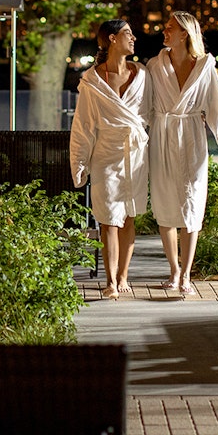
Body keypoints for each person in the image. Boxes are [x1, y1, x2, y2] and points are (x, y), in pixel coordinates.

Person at [146, 11, 218, 295]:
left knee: (192, 205)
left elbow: (217, 110)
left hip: (191, 138)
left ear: (184, 33)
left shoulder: (204, 68)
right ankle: (173, 272)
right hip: (162, 137)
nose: (164, 32)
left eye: (169, 28)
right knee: (165, 205)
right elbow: (144, 105)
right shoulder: (154, 65)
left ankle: (187, 274)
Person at [70, 19, 151, 300]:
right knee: (108, 220)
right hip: (105, 154)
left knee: (129, 217)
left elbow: (154, 111)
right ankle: (111, 282)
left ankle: (124, 276)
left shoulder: (141, 75)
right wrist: (79, 164)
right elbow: (83, 126)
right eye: (129, 33)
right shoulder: (92, 82)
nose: (134, 38)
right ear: (113, 39)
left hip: (136, 155)